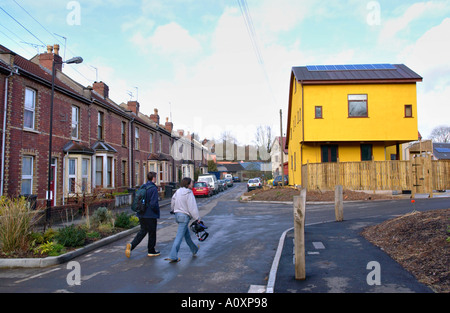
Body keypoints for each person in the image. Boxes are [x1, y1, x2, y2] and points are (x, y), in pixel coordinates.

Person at [125, 171, 160, 258]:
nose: (156, 178)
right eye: (155, 177)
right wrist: (156, 211)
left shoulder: (143, 186)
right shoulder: (153, 189)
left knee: (143, 231)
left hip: (141, 213)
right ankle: (151, 251)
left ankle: (131, 245)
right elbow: (153, 204)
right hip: (150, 215)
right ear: (153, 178)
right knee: (152, 233)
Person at [166, 177, 200, 263]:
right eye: (191, 183)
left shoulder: (178, 191)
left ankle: (194, 249)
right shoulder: (189, 193)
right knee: (179, 237)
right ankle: (173, 256)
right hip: (184, 217)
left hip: (177, 215)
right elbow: (192, 207)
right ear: (188, 184)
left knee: (187, 235)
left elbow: (173, 201)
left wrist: (173, 209)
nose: (192, 184)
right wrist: (197, 218)